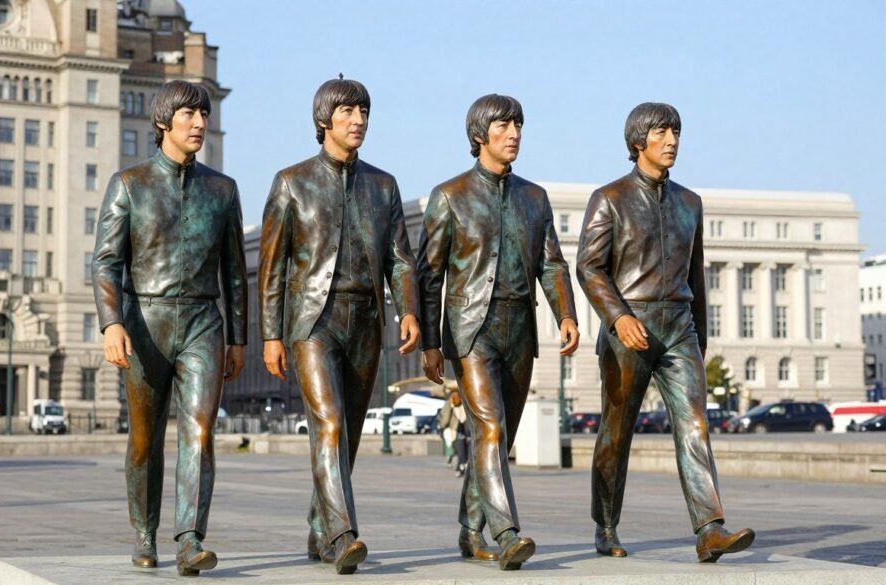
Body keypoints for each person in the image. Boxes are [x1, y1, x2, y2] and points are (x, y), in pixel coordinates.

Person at [577, 102, 755, 563]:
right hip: (628, 327)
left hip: (679, 328)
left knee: (695, 422)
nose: (672, 140)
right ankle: (606, 524)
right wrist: (618, 317)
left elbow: (695, 277)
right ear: (639, 142)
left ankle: (710, 528)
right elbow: (589, 268)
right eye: (662, 132)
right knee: (617, 433)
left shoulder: (690, 202)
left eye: (676, 131)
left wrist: (700, 336)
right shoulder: (609, 198)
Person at [258, 77, 421, 575]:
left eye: (364, 112)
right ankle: (343, 533)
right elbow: (273, 266)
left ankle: (319, 525)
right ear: (324, 120)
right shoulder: (292, 182)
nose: (359, 121)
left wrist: (408, 308)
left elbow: (400, 260)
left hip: (366, 322)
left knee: (345, 433)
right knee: (327, 421)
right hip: (313, 321)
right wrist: (271, 333)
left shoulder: (383, 185)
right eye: (349, 112)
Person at [92, 80, 248, 576]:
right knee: (144, 439)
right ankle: (144, 531)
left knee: (199, 432)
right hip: (144, 323)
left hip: (204, 321)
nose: (200, 124)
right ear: (164, 123)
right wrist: (110, 324)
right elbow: (105, 262)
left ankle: (189, 538)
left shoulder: (222, 190)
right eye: (189, 116)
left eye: (204, 115)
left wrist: (238, 337)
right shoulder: (129, 184)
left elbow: (234, 271)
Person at [418, 94, 579, 571]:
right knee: (488, 427)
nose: (514, 134)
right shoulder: (449, 196)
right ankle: (506, 533)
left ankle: (470, 531)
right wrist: (430, 343)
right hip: (471, 330)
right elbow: (429, 276)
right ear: (479, 136)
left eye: (518, 126)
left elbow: (551, 262)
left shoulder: (535, 198)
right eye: (505, 126)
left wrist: (565, 314)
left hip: (519, 328)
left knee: (499, 437)